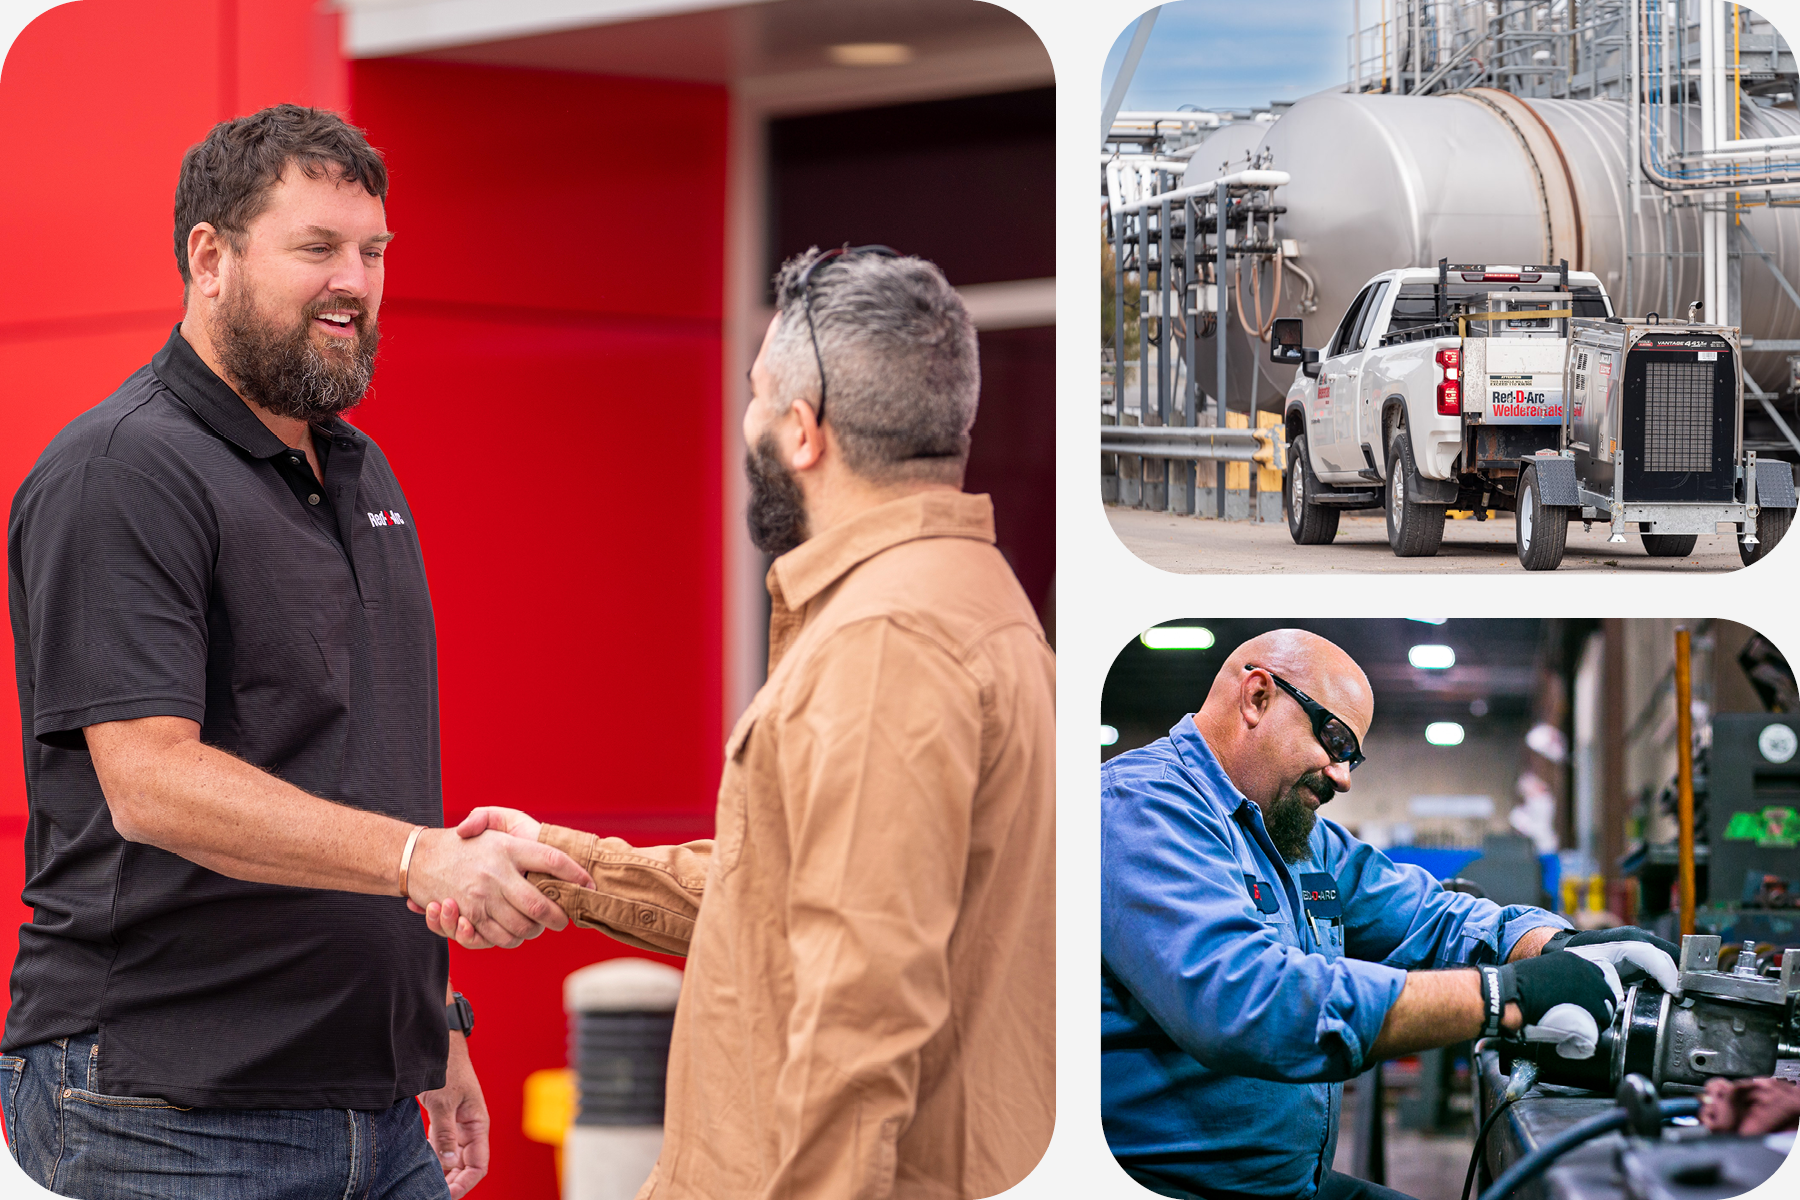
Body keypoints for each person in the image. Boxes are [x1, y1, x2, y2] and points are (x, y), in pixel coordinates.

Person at [3, 105, 594, 1200]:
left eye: (374, 251)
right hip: (166, 1116)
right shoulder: (121, 471)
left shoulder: (361, 474)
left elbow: (360, 775)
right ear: (210, 258)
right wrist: (422, 860)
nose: (354, 284)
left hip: (375, 1100)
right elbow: (151, 783)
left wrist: (431, 1022)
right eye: (318, 247)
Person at [424, 247, 1056, 1200]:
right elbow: (787, 893)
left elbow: (861, 1018)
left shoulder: (884, 645)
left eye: (758, 396)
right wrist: (565, 865)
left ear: (803, 431)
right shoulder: (974, 603)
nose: (747, 422)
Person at [1100, 629, 1680, 1200]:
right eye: (1334, 740)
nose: (1343, 776)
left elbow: (1428, 915)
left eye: (1351, 756)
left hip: (1291, 1186)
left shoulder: (1301, 840)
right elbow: (1245, 1001)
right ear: (1257, 697)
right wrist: (1503, 997)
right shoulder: (1139, 810)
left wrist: (1552, 947)